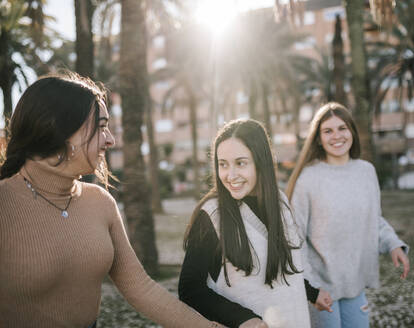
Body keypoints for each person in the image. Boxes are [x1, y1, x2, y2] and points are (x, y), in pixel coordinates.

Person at [0, 73, 221, 328]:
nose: (110, 139)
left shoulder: (100, 202)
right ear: (62, 130)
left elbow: (141, 288)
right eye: (101, 126)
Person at [178, 119, 332, 328]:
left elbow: (282, 269)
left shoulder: (280, 202)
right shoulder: (212, 215)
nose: (230, 175)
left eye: (240, 163)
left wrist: (312, 293)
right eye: (223, 164)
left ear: (261, 162)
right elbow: (190, 289)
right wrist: (242, 318)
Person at [286, 102, 410, 328]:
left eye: (342, 128)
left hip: (355, 287)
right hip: (321, 289)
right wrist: (312, 288)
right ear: (318, 138)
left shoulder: (366, 171)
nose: (337, 136)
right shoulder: (308, 178)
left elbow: (373, 220)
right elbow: (295, 238)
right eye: (328, 131)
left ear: (352, 131)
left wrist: (393, 244)